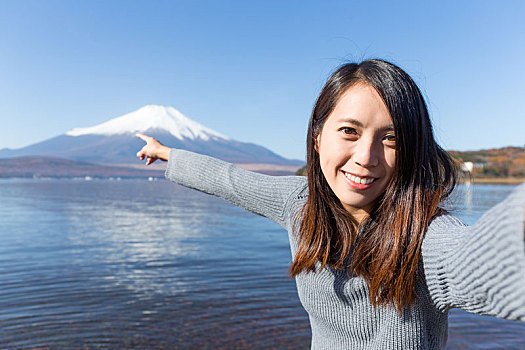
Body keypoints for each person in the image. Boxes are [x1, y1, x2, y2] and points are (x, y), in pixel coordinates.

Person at [136, 59, 525, 349]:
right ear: (318, 137)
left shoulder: (428, 240)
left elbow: (492, 260)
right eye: (349, 131)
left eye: (391, 139)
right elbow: (230, 180)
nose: (366, 157)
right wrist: (167, 153)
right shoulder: (300, 203)